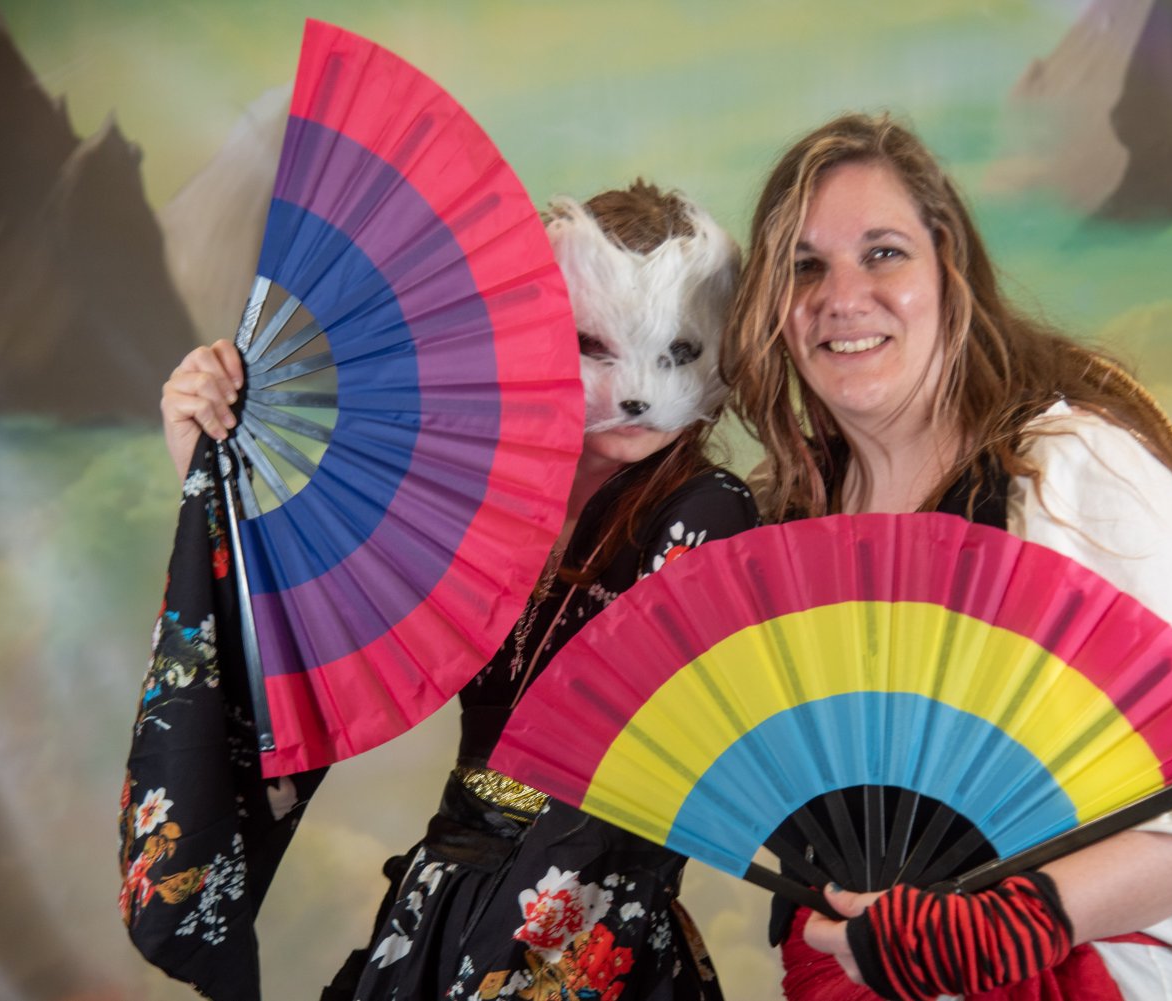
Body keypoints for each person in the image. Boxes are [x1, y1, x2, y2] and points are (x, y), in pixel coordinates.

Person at [720, 114, 1172, 1000]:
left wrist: (1020, 918)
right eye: (806, 267)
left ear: (948, 268)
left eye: (883, 253)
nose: (842, 296)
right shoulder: (783, 528)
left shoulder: (1076, 473)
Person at [161, 181, 759, 1000]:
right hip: (442, 901)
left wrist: (507, 963)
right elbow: (316, 651)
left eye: (677, 351)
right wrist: (210, 465)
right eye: (594, 345)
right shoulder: (486, 503)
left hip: (582, 922)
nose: (636, 388)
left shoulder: (708, 511)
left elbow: (641, 786)